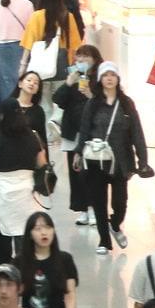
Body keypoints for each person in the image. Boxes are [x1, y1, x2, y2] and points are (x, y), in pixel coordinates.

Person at [76, 61, 150, 254]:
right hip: (96, 160)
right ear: (100, 79)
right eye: (105, 75)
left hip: (121, 160)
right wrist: (78, 152)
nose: (109, 78)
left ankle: (115, 224)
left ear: (118, 78)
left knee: (121, 202)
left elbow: (136, 132)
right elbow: (84, 130)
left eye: (113, 75)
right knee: (99, 201)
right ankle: (104, 241)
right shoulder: (93, 104)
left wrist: (143, 159)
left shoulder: (126, 103)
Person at [0, 100, 47, 269]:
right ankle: (27, 272)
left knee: (2, 234)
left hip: (2, 193)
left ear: (1, 115)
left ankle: (4, 272)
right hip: (27, 193)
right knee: (25, 235)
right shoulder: (33, 137)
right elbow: (41, 163)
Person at [54, 44, 102, 224]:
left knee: (91, 172)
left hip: (92, 134)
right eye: (78, 57)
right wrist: (68, 83)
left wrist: (90, 94)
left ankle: (94, 208)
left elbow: (104, 106)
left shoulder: (100, 79)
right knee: (75, 173)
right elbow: (58, 100)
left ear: (95, 60)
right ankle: (82, 208)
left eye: (85, 57)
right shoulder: (72, 78)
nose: (81, 61)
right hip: (72, 132)